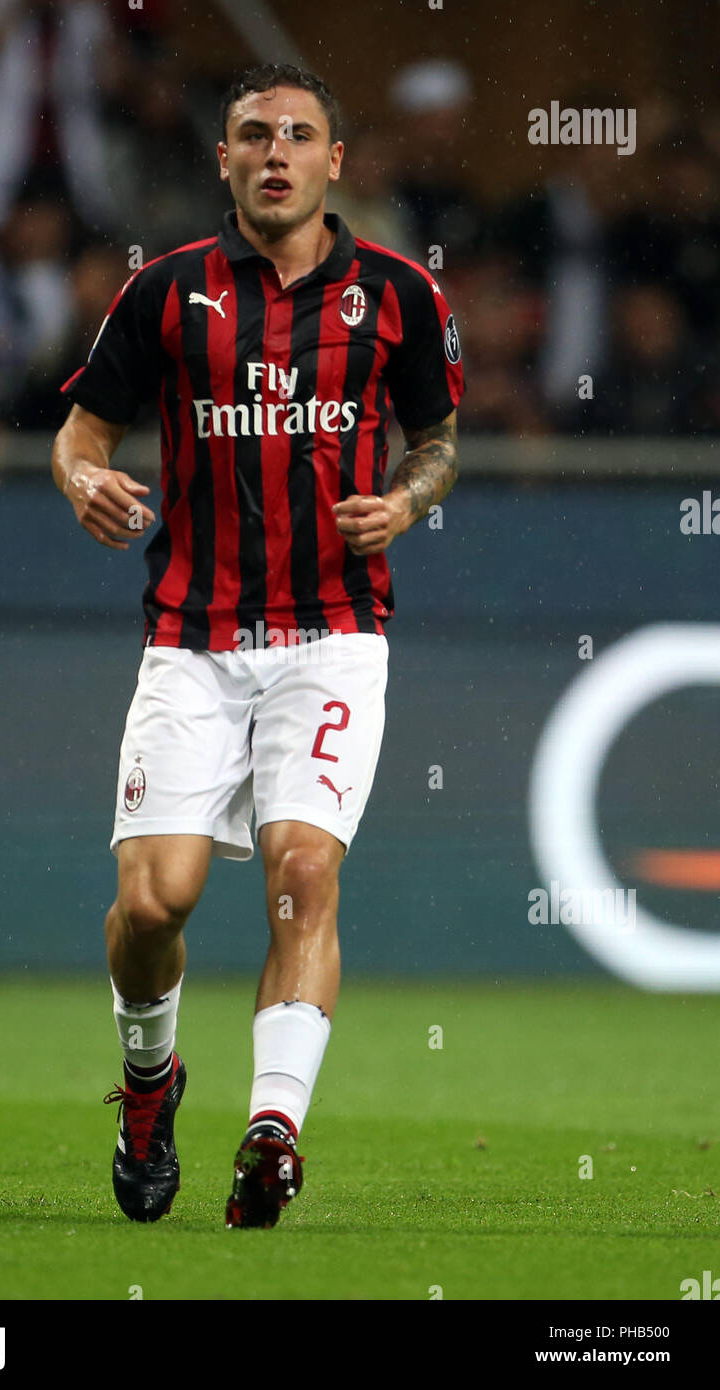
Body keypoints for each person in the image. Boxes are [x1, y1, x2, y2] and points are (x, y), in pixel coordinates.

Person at [51, 63, 465, 1230]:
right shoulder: (165, 293)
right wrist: (83, 478)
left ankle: (272, 1129)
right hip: (191, 633)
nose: (273, 152)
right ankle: (149, 1083)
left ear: (336, 160)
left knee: (302, 873)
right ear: (223, 160)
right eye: (251, 135)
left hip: (332, 634)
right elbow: (83, 431)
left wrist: (408, 500)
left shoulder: (395, 295)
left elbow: (435, 438)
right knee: (152, 904)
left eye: (297, 134)